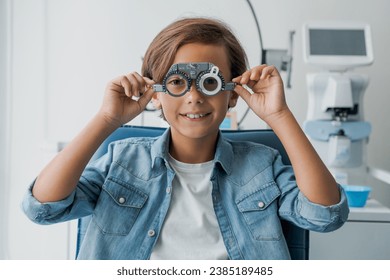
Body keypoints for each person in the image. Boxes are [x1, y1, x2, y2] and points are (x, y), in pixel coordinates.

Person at [22, 17, 349, 260]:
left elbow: (325, 215)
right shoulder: (120, 162)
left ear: (232, 94)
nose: (193, 97)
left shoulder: (262, 166)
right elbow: (42, 208)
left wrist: (280, 116)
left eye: (208, 81)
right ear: (156, 93)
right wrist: (107, 120)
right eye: (177, 82)